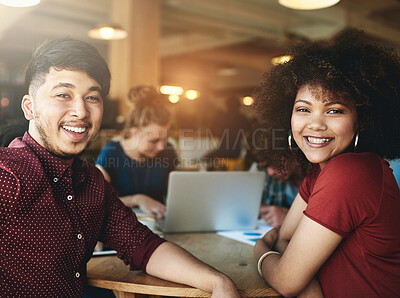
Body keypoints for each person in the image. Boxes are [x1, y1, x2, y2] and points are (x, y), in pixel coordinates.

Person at [0, 38, 240, 297]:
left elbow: (143, 246)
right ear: (29, 107)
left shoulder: (92, 183)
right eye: (63, 95)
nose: (81, 111)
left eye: (92, 97)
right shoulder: (7, 176)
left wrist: (218, 283)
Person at [253, 30, 400, 297]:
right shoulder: (320, 172)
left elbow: (287, 279)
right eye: (303, 109)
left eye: (334, 110)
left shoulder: (351, 172)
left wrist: (261, 251)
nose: (316, 124)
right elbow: (286, 239)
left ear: (361, 120)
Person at [96, 85, 176, 218]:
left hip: (159, 223)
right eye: (154, 141)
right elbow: (96, 202)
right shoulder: (111, 153)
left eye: (165, 139)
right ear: (134, 133)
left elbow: (176, 194)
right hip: (121, 227)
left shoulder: (168, 151)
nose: (161, 147)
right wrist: (137, 199)